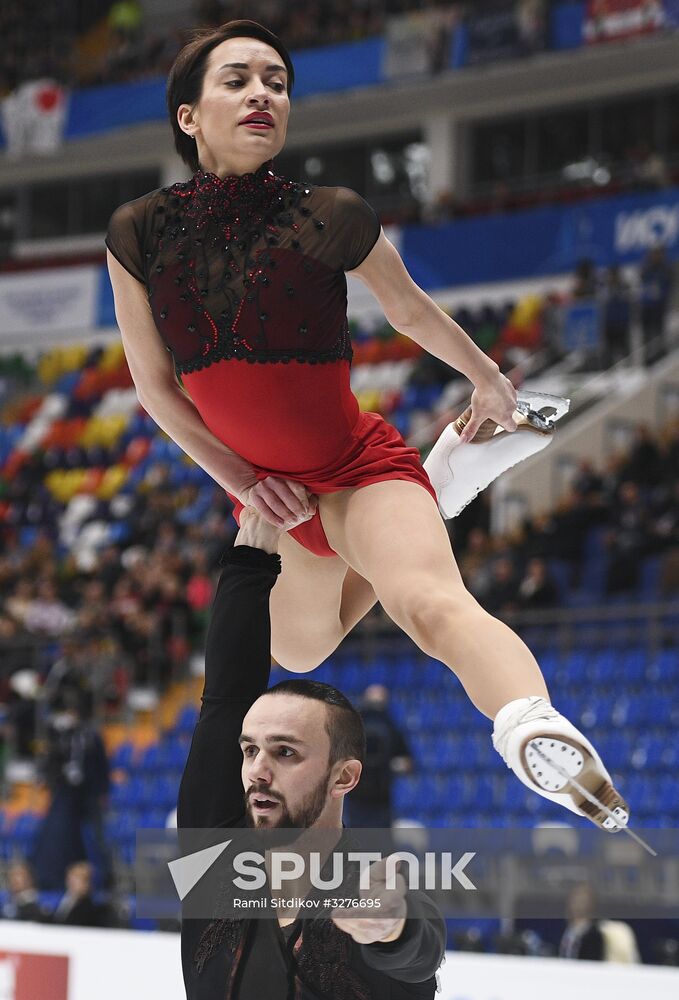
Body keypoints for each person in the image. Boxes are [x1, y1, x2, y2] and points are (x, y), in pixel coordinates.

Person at [106, 19, 627, 830]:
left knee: (426, 603)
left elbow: (408, 309)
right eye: (238, 80)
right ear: (188, 115)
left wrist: (489, 381)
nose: (262, 94)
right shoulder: (137, 231)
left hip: (357, 469)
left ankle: (530, 725)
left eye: (276, 82)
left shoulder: (329, 213)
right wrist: (245, 483)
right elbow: (154, 388)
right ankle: (443, 481)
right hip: (271, 495)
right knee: (299, 650)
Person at [177, 508, 446, 998]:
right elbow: (225, 699)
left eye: (285, 753)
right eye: (250, 750)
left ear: (344, 777)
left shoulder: (369, 888)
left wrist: (392, 929)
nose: (257, 770)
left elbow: (419, 949)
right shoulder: (212, 850)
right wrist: (253, 548)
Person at [346, 684, 413, 829]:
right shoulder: (390, 726)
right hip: (372, 793)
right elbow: (407, 763)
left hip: (368, 794)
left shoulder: (353, 727)